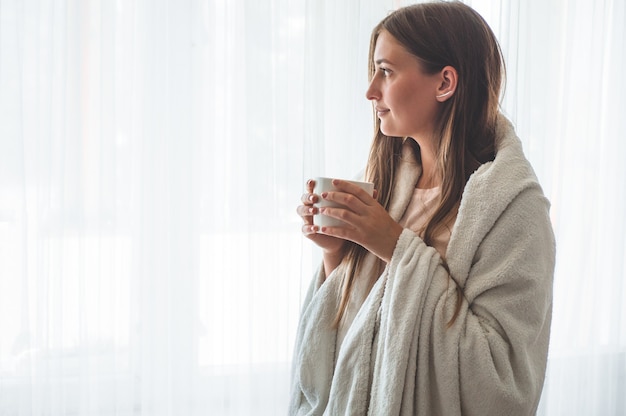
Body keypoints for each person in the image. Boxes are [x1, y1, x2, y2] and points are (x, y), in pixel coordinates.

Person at [290, 1, 555, 415]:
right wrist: (335, 255)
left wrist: (396, 246)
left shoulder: (512, 209)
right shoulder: (388, 185)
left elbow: (504, 384)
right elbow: (355, 344)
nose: (370, 90)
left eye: (387, 71)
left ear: (445, 82)